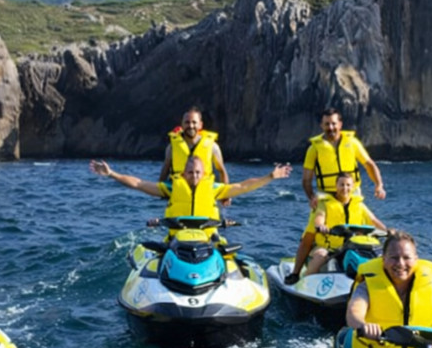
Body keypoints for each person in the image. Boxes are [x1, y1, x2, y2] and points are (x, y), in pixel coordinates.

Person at [285, 108, 386, 284]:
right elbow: (307, 179)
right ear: (321, 126)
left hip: (350, 193)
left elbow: (369, 163)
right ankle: (296, 273)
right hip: (325, 196)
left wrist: (379, 185)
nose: (331, 127)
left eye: (333, 123)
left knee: (362, 230)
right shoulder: (314, 149)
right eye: (327, 124)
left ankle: (360, 269)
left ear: (340, 124)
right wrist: (311, 198)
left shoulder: (352, 143)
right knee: (310, 234)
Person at [91, 157, 291, 236]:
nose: (194, 176)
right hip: (176, 240)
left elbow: (243, 186)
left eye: (197, 172)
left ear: (203, 174)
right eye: (190, 172)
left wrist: (270, 176)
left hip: (208, 240)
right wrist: (112, 173)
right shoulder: (172, 188)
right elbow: (139, 184)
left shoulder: (213, 188)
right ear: (184, 174)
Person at [304, 173, 386, 276]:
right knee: (321, 255)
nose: (345, 188)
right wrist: (321, 226)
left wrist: (386, 231)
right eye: (341, 184)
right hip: (327, 246)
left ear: (352, 187)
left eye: (348, 185)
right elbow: (319, 217)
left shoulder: (359, 205)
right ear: (336, 186)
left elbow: (373, 220)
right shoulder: (325, 203)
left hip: (352, 246)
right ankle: (305, 279)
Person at [158, 107, 229, 193]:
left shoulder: (213, 147)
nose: (191, 126)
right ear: (182, 125)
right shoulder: (172, 147)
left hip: (204, 190)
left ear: (200, 125)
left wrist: (225, 194)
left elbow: (222, 171)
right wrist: (160, 193)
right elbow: (165, 171)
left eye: (194, 122)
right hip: (179, 190)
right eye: (187, 122)